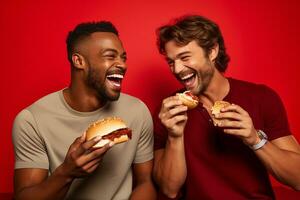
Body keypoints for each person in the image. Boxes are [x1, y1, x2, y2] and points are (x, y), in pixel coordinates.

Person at [153, 15, 300, 199]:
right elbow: (169, 190)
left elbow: (297, 179)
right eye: (171, 62)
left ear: (212, 51)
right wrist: (174, 136)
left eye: (185, 57)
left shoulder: (261, 97)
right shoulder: (169, 111)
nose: (177, 69)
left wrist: (255, 139)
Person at [12, 21, 156, 200]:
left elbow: (145, 183)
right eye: (110, 56)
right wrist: (67, 172)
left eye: (123, 57)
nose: (123, 65)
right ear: (79, 61)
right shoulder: (32, 120)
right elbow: (24, 196)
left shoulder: (137, 111)